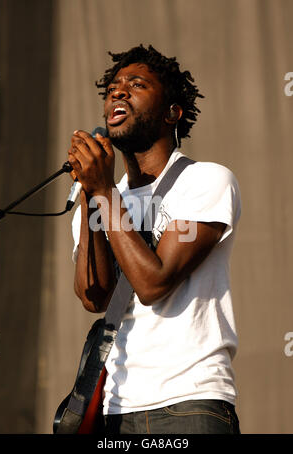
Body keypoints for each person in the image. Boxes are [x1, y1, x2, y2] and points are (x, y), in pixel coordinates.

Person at [68, 44, 241, 434]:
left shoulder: (206, 181)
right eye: (112, 87)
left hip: (190, 403)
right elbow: (94, 296)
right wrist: (91, 192)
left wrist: (103, 192)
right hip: (115, 408)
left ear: (171, 113)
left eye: (136, 84)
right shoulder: (98, 198)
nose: (118, 91)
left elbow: (153, 283)